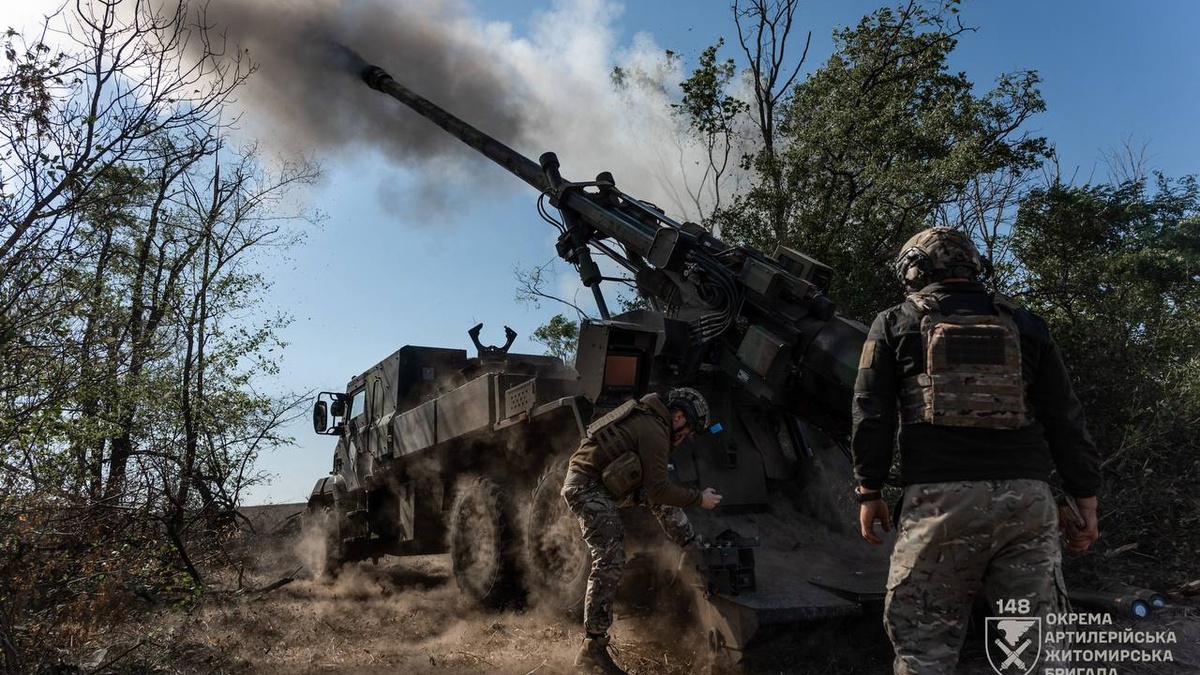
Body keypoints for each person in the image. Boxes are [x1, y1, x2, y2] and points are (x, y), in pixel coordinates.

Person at [851, 227, 1102, 675]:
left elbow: (871, 413)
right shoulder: (1027, 324)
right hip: (1027, 504)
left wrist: (869, 490)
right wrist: (1085, 496)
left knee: (923, 650)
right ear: (974, 268)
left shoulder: (894, 323)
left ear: (915, 269)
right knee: (1033, 653)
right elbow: (1065, 416)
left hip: (939, 505)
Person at [561, 387, 723, 675]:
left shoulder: (655, 423)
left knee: (657, 500)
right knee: (609, 557)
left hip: (602, 484)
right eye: (687, 431)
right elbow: (659, 488)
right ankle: (592, 648)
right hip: (586, 486)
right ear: (678, 416)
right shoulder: (654, 431)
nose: (685, 438)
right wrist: (700, 498)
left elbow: (655, 492)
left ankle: (689, 546)